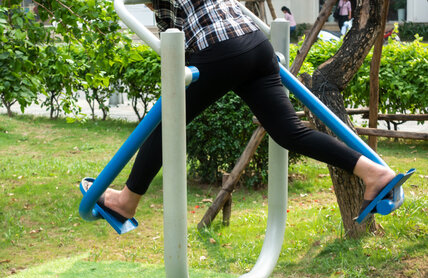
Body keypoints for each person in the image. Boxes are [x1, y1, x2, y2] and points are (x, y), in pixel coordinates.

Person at [89, 0, 395, 223]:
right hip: (256, 45)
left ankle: (125, 201)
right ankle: (374, 173)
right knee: (290, 132)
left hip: (221, 49)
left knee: (167, 121)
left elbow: (176, 49)